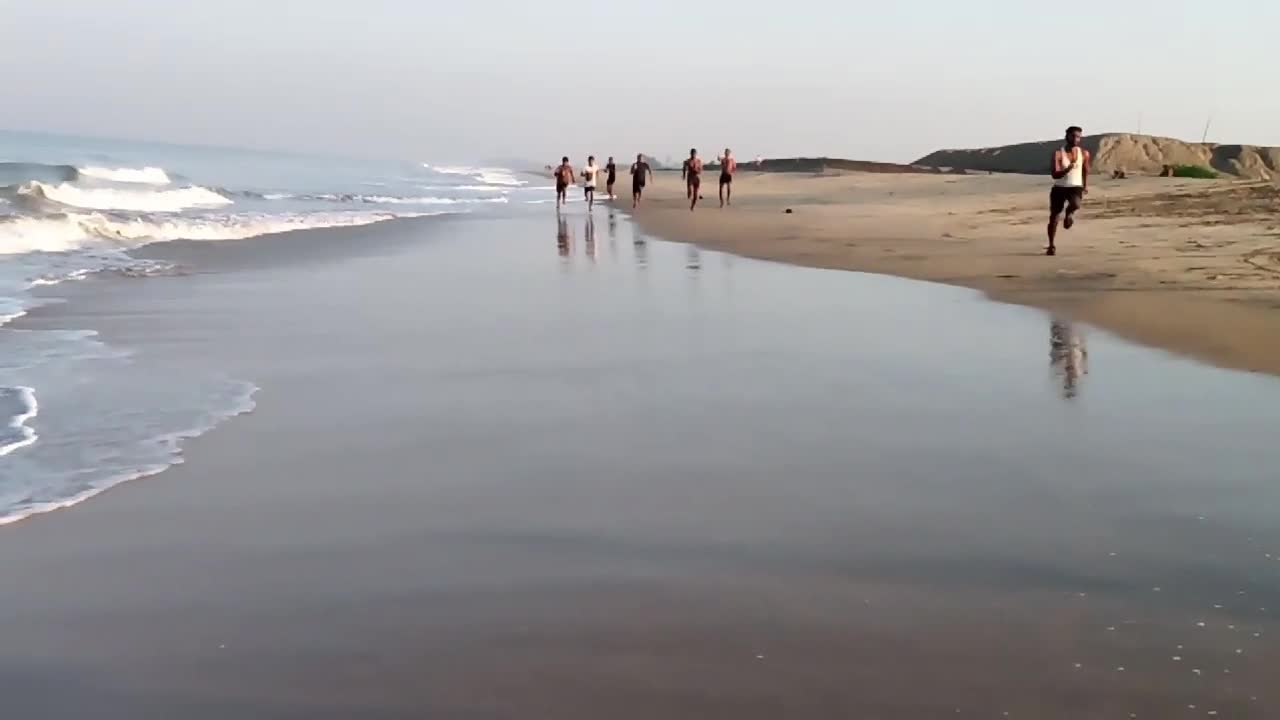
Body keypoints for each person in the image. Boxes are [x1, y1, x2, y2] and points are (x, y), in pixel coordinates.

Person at [1047, 126, 1090, 256]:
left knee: (1076, 204)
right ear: (1067, 136)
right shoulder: (1058, 153)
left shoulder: (1084, 153)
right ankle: (1051, 245)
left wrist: (1085, 185)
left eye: (1079, 137)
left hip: (1075, 186)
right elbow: (1054, 174)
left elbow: (1086, 169)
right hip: (1059, 187)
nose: (1076, 139)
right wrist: (1067, 170)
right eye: (1074, 136)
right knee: (1054, 217)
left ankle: (1069, 214)